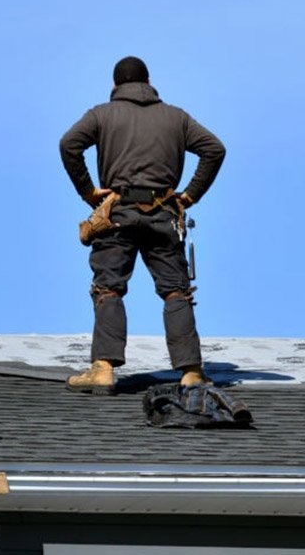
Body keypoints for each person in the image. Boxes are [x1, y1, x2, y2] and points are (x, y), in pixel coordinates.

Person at [59, 56, 226, 393]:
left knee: (109, 286)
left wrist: (89, 192)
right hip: (164, 213)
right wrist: (189, 196)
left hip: (117, 214)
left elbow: (69, 144)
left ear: (115, 86)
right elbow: (214, 149)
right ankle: (191, 371)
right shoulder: (176, 117)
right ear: (149, 82)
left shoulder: (101, 115)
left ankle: (103, 368)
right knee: (175, 290)